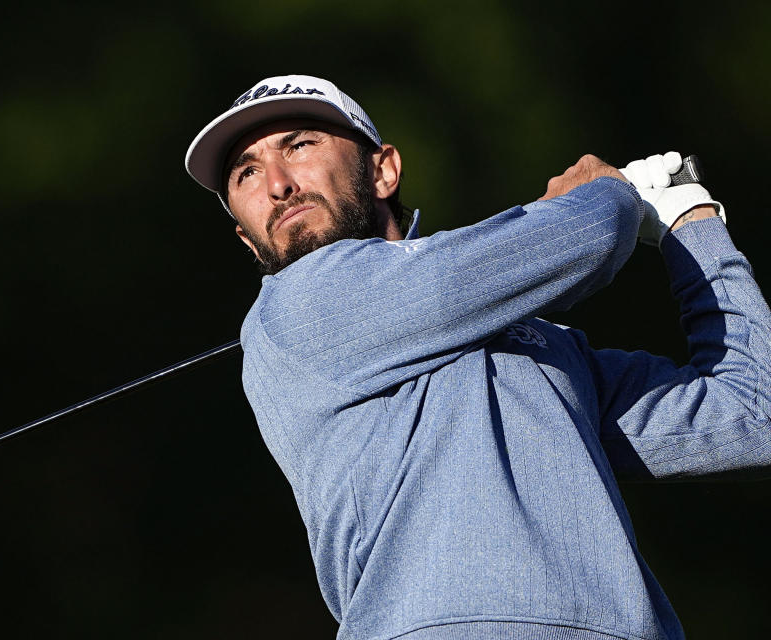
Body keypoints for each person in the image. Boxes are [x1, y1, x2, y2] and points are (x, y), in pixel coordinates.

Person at [184, 75, 771, 640]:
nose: (278, 183)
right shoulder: (300, 304)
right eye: (246, 173)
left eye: (300, 145)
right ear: (244, 234)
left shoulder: (542, 347)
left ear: (383, 170)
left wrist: (694, 225)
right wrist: (607, 190)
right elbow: (591, 232)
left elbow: (753, 416)